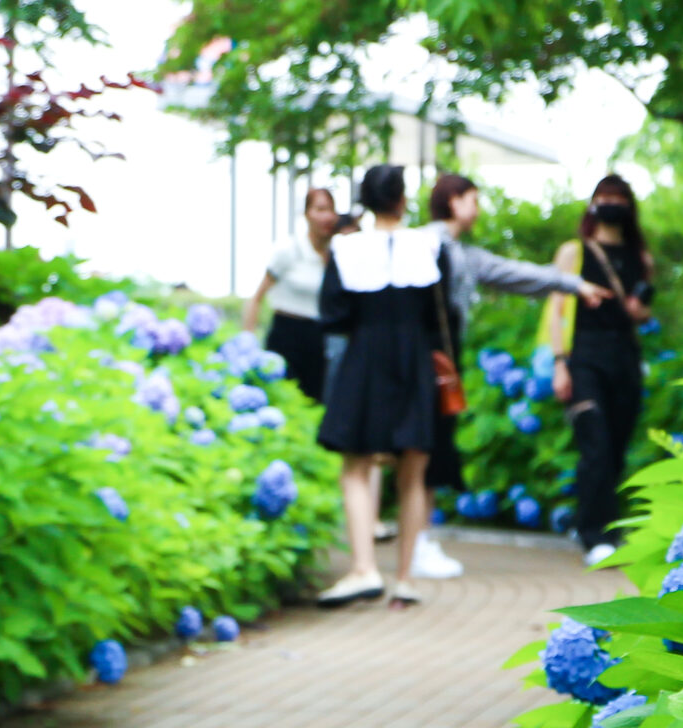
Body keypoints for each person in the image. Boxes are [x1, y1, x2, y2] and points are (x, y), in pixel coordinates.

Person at [419, 172, 603, 580]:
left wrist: (572, 284)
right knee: (415, 454)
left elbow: (516, 274)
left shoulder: (463, 255)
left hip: (439, 366)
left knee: (427, 453)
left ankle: (417, 541)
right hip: (415, 365)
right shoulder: (421, 245)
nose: (477, 209)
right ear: (453, 201)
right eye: (473, 200)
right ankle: (411, 543)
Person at [314, 163, 453, 609]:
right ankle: (406, 579)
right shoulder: (429, 245)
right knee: (413, 473)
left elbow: (332, 315)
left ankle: (364, 568)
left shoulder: (346, 248)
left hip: (365, 359)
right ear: (402, 199)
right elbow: (444, 313)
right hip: (415, 360)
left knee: (355, 467)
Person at [541, 175, 655, 563]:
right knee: (596, 444)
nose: (610, 204)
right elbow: (556, 310)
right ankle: (597, 537)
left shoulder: (641, 258)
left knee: (616, 450)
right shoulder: (574, 253)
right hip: (584, 357)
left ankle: (589, 522)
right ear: (593, 203)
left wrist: (639, 311)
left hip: (624, 358)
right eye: (604, 197)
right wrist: (560, 363)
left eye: (618, 198)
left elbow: (643, 315)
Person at [243, 187, 340, 401]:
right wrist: (248, 341)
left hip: (319, 341)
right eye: (320, 209)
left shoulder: (336, 254)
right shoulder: (289, 250)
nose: (327, 216)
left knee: (315, 403)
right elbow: (257, 298)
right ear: (307, 214)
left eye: (330, 210)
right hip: (286, 336)